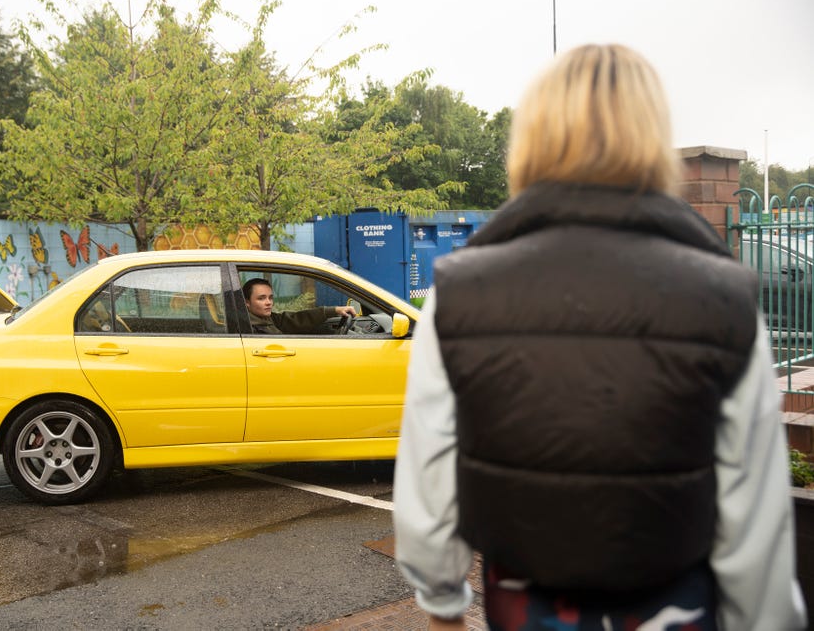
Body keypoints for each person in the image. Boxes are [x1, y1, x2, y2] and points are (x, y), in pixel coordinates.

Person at [393, 43, 807, 631]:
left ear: (532, 135)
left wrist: (441, 606)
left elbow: (428, 488)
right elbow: (755, 527)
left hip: (527, 610)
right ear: (650, 135)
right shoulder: (725, 299)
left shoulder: (457, 295)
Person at [242, 277, 355, 334]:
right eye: (261, 298)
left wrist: (334, 310)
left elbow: (297, 319)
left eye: (270, 297)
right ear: (247, 302)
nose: (269, 302)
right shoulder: (249, 329)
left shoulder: (268, 319)